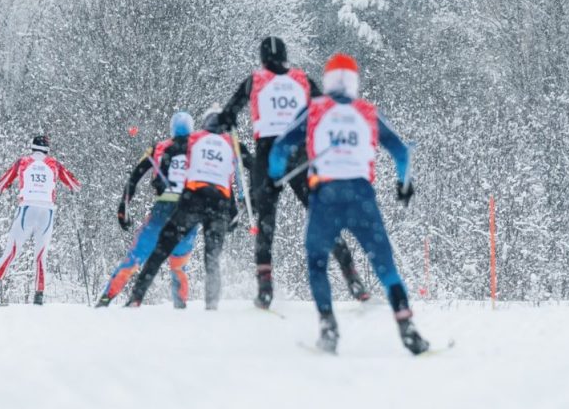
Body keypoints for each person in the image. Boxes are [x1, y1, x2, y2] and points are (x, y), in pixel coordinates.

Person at [269, 53, 428, 355]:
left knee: (317, 263)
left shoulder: (315, 109)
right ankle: (408, 329)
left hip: (325, 196)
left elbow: (280, 148)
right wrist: (403, 185)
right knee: (385, 267)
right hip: (361, 197)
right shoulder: (367, 112)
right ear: (354, 82)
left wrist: (276, 176)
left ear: (328, 80)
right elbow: (402, 152)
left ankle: (328, 328)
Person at [218, 36, 368, 309]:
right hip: (299, 154)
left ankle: (265, 287)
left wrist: (226, 123)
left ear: (262, 59)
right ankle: (353, 278)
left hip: (269, 155)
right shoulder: (302, 79)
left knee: (266, 222)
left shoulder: (255, 80)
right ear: (286, 56)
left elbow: (228, 114)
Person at [124, 106, 241, 310]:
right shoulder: (224, 146)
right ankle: (209, 304)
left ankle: (137, 296)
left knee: (162, 251)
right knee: (207, 257)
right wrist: (233, 210)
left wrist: (160, 175)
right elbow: (229, 179)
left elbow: (168, 155)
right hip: (215, 205)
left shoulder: (195, 142)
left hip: (190, 204)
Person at [96, 110, 200, 308]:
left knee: (137, 257)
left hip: (163, 209)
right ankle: (180, 306)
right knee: (178, 265)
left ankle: (107, 299)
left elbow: (134, 177)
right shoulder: (199, 150)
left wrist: (123, 207)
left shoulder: (160, 148)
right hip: (189, 211)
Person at [0, 133, 80, 304]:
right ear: (47, 149)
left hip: (27, 208)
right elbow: (75, 185)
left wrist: (5, 187)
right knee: (40, 256)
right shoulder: (54, 164)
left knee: (11, 250)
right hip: (47, 211)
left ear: (32, 146)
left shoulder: (23, 162)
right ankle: (39, 296)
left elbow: (1, 184)